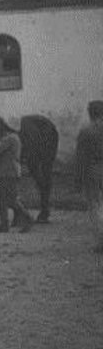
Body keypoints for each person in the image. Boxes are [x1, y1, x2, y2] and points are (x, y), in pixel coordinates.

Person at [0, 122, 33, 233]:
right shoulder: (13, 138)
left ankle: (26, 218)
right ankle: (4, 224)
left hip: (8, 173)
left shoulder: (10, 139)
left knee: (9, 199)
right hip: (6, 172)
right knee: (2, 199)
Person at [75, 100, 103, 253]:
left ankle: (101, 241)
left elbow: (80, 158)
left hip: (92, 171)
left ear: (90, 113)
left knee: (95, 207)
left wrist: (78, 179)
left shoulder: (86, 131)